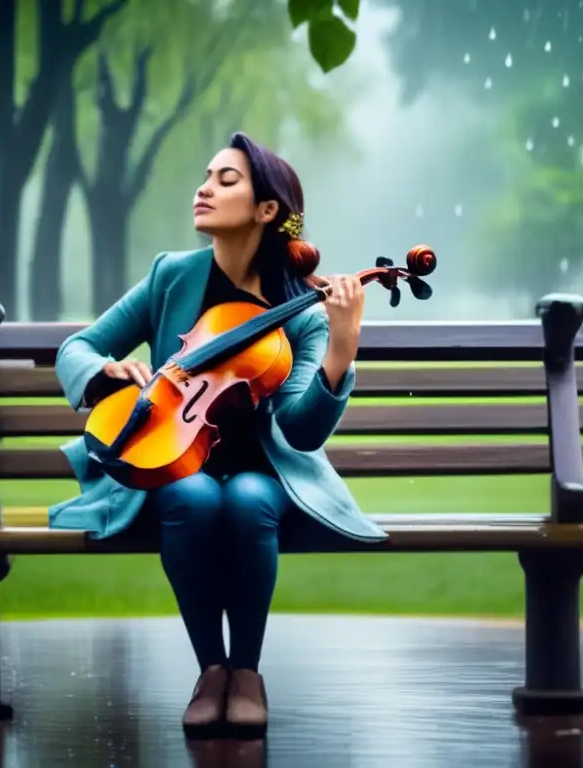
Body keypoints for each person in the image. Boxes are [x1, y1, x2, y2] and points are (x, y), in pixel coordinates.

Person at [51, 132, 388, 739]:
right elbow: (77, 347)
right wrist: (102, 372)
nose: (204, 189)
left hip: (268, 474)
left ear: (266, 211)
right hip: (170, 461)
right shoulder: (173, 277)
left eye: (226, 180)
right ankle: (212, 668)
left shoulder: (303, 315)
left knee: (251, 497)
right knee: (194, 495)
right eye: (206, 176)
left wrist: (341, 348)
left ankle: (248, 672)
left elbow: (300, 430)